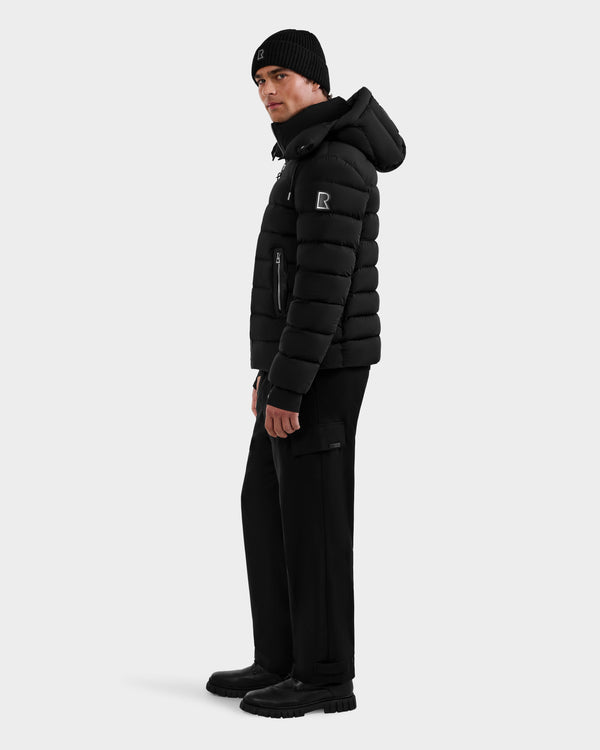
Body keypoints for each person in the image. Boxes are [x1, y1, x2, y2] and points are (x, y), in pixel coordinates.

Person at [206, 28, 406, 718]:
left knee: (314, 517)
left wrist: (289, 384)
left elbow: (322, 289)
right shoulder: (306, 155)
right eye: (258, 82)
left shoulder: (333, 161)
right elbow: (291, 283)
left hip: (326, 367)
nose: (267, 91)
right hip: (298, 364)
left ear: (316, 81)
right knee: (266, 506)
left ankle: (323, 676)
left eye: (279, 77)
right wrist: (270, 374)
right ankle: (281, 658)